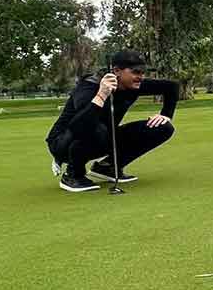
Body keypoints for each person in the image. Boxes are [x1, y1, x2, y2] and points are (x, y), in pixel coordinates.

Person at [46, 50, 179, 192]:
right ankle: (73, 175)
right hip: (62, 142)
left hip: (103, 136)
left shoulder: (134, 84)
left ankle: (108, 167)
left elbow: (171, 86)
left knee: (164, 128)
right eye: (136, 72)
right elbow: (79, 126)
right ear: (116, 71)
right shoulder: (89, 86)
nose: (140, 77)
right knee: (97, 127)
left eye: (142, 73)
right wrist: (102, 94)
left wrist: (166, 114)